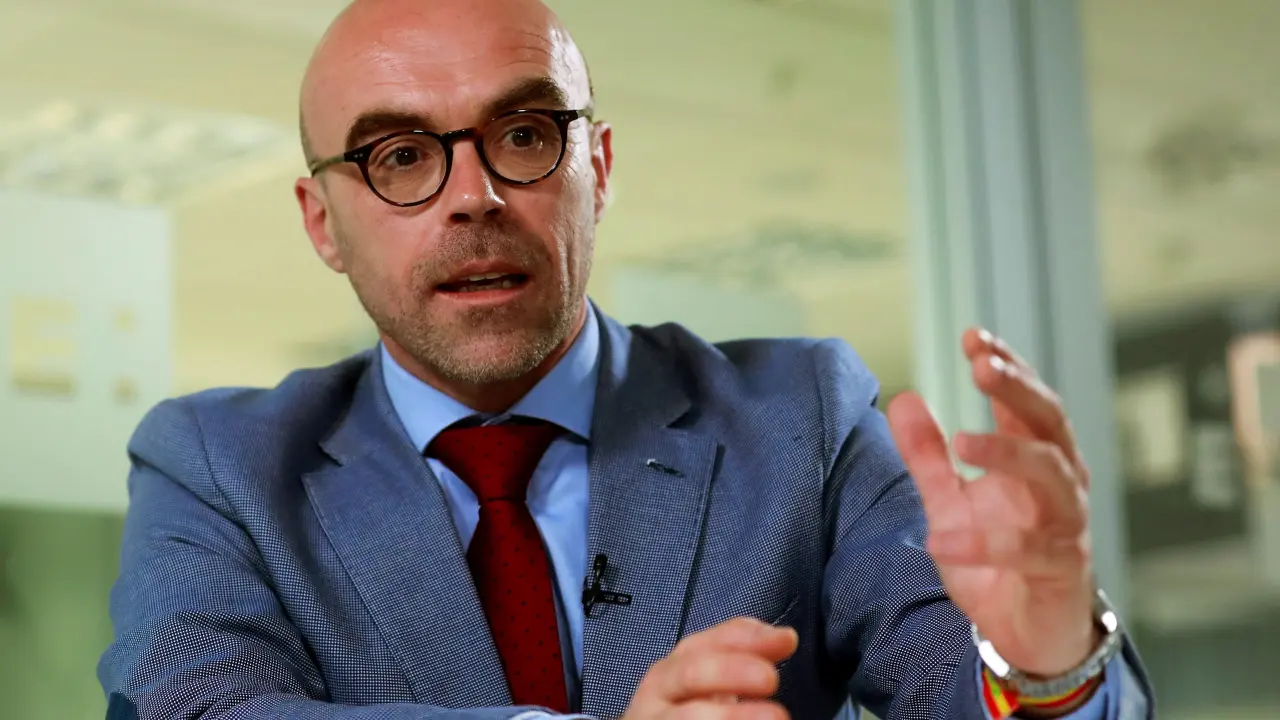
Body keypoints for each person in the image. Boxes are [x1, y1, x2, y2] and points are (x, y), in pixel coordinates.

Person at [98, 0, 1154, 718]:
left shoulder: (802, 418)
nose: (474, 196)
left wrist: (1046, 664)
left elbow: (969, 692)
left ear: (595, 170)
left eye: (523, 135)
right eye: (401, 157)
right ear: (321, 221)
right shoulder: (217, 466)